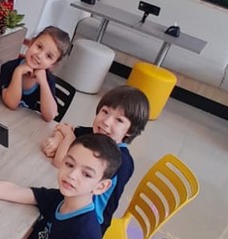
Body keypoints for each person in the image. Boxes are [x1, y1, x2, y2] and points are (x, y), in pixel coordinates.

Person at [42, 85, 150, 231]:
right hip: (69, 202)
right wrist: (58, 138)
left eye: (119, 120)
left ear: (130, 130)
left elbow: (59, 161)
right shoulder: (96, 136)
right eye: (105, 111)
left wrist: (68, 136)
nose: (106, 122)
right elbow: (66, 127)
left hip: (86, 224)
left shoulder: (121, 162)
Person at [0, 26, 71, 122]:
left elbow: (50, 116)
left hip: (21, 123)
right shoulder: (9, 67)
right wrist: (18, 72)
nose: (39, 56)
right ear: (31, 43)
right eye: (39, 47)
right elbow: (11, 104)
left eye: (48, 56)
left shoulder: (48, 80)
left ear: (52, 64)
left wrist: (43, 82)